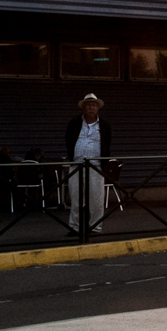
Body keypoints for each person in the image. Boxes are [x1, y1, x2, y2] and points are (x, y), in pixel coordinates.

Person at [63, 94, 112, 235]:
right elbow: (69, 140)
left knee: (96, 199)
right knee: (76, 198)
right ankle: (75, 227)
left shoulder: (104, 125)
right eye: (88, 105)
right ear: (83, 107)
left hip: (96, 165)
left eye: (94, 105)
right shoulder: (74, 123)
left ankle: (95, 227)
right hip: (77, 164)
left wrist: (104, 162)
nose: (91, 107)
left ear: (98, 108)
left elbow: (107, 144)